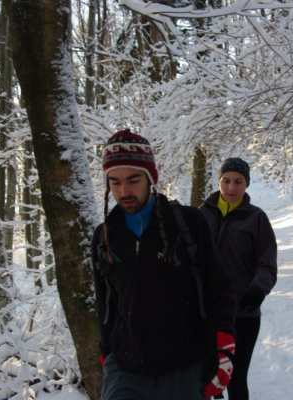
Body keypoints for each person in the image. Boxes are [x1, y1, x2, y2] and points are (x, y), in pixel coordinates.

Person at [91, 129, 237, 400]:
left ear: (151, 177)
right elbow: (106, 305)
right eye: (114, 182)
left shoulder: (188, 225)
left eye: (133, 180)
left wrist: (223, 349)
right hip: (125, 371)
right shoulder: (105, 237)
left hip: (185, 368)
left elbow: (218, 290)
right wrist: (107, 354)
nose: (124, 191)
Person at [200, 158, 277, 400]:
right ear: (218, 181)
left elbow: (267, 263)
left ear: (247, 184)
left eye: (238, 181)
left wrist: (258, 289)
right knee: (204, 375)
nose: (231, 188)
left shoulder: (256, 219)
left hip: (243, 311)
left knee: (235, 377)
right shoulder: (201, 215)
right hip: (206, 312)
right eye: (226, 181)